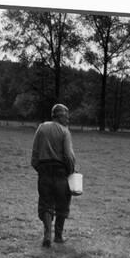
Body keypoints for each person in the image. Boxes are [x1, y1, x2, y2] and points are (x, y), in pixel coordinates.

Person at [31, 104, 76, 247]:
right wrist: (71, 171)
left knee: (45, 203)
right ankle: (58, 236)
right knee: (62, 204)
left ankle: (47, 235)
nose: (68, 119)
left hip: (43, 170)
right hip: (60, 172)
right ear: (59, 116)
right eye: (66, 115)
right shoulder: (65, 131)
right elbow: (69, 156)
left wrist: (39, 168)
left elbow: (35, 154)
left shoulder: (41, 128)